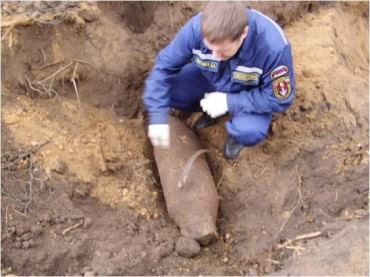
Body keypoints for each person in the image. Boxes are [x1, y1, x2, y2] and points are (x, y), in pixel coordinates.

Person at [143, 2, 295, 159]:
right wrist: (158, 116)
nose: (215, 56)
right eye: (210, 47)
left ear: (243, 34)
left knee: (249, 131)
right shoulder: (196, 29)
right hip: (211, 80)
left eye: (223, 51)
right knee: (171, 90)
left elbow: (280, 99)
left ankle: (236, 135)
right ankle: (209, 109)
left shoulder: (273, 47)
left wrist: (228, 102)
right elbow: (163, 68)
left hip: (250, 91)